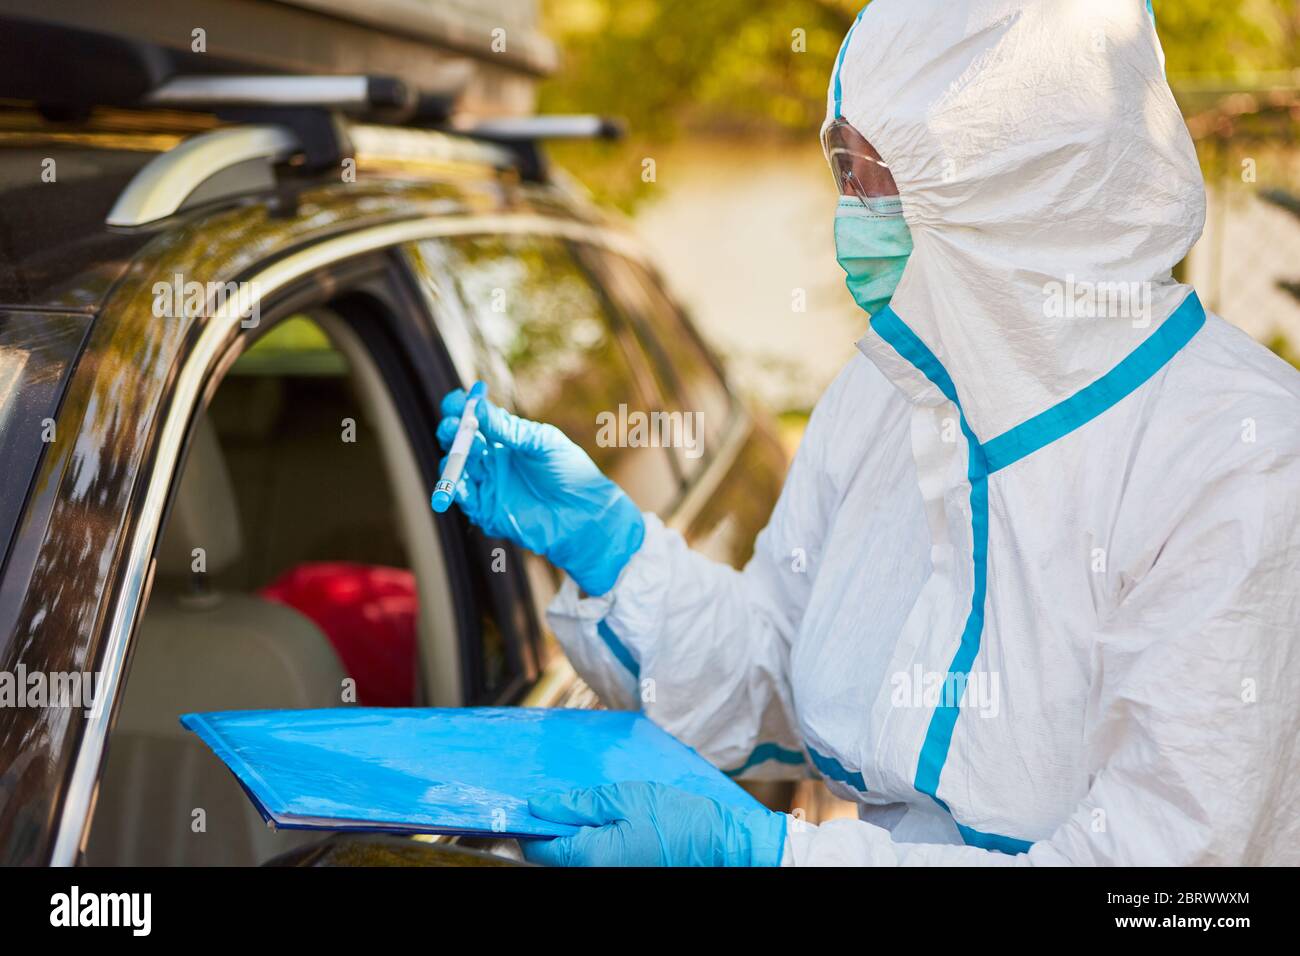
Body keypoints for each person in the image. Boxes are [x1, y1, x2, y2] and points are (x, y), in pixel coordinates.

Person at [436, 0, 1300, 865]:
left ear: (1010, 183)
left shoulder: (1242, 457)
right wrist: (612, 548)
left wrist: (768, 859)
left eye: (877, 174)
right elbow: (773, 662)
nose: (851, 211)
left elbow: (1168, 889)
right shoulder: (889, 392)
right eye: (843, 169)